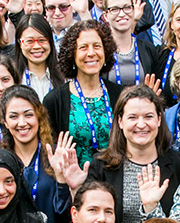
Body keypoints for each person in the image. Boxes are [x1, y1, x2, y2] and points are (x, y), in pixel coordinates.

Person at [88, 85, 180, 223]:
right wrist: (72, 187)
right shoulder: (102, 165)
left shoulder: (178, 164)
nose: (141, 124)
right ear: (120, 121)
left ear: (159, 119)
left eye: (148, 116)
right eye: (133, 117)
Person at [45, 20, 125, 165]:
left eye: (97, 46)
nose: (91, 53)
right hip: (75, 182)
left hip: (115, 180)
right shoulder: (54, 100)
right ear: (72, 55)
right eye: (83, 47)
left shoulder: (120, 94)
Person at [0, 85, 73, 223]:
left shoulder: (56, 155)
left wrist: (61, 178)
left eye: (28, 115)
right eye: (13, 116)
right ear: (5, 122)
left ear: (39, 116)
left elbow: (65, 214)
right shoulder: (1, 161)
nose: (22, 123)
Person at [102, 0, 161, 85]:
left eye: (127, 7)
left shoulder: (148, 49)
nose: (121, 14)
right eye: (114, 9)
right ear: (106, 15)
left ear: (134, 10)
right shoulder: (101, 50)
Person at [14, 13, 65, 101]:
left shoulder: (64, 76)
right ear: (20, 43)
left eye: (42, 40)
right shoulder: (13, 78)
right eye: (29, 41)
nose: (37, 46)